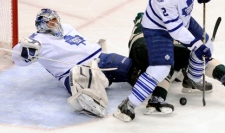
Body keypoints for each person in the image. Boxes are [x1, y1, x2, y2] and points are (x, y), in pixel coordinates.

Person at [114, 0, 215, 121]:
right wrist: (196, 45)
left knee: (208, 44)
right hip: (157, 28)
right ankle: (127, 106)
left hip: (183, 20)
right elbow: (175, 30)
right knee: (161, 68)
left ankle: (192, 80)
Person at [12, 8, 141, 118]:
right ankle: (90, 91)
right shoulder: (36, 40)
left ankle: (150, 86)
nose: (55, 24)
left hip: (99, 59)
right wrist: (25, 53)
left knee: (133, 68)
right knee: (88, 95)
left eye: (55, 20)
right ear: (42, 25)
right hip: (74, 72)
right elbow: (17, 56)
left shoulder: (67, 28)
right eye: (50, 23)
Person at [128, 12, 225, 115]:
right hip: (149, 46)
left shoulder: (150, 17)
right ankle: (156, 100)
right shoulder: (168, 15)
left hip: (138, 51)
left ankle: (157, 99)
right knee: (198, 55)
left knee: (166, 63)